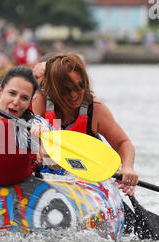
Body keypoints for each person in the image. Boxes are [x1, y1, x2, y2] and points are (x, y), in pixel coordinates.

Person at [32, 53, 138, 195]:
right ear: (54, 88)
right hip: (48, 172)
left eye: (79, 86)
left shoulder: (95, 108)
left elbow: (122, 143)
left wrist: (128, 167)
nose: (74, 95)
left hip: (85, 177)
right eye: (66, 90)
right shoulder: (41, 100)